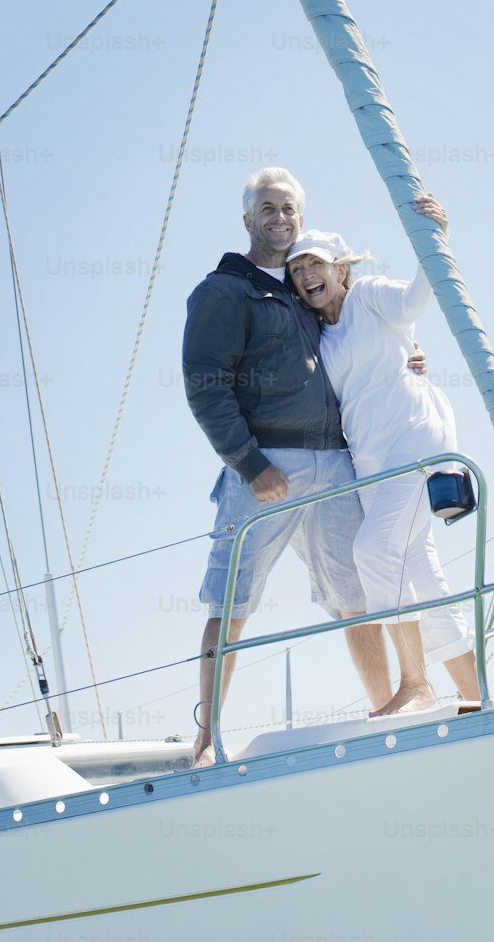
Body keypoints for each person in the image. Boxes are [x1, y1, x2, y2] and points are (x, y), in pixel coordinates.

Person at [182, 167, 393, 766]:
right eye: (268, 209)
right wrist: (250, 464)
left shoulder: (306, 290)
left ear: (302, 217)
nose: (280, 218)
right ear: (248, 220)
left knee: (357, 597)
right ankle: (206, 740)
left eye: (290, 209)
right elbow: (205, 386)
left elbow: (355, 341)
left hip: (336, 462)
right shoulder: (223, 291)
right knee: (232, 602)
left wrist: (407, 359)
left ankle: (386, 713)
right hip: (265, 470)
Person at [286, 195, 481, 717]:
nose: (307, 275)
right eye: (298, 269)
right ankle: (478, 698)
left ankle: (416, 683)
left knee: (372, 550)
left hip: (416, 438)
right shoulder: (319, 337)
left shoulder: (369, 295)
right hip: (370, 463)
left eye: (316, 264)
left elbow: (419, 300)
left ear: (341, 268)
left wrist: (435, 235)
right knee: (422, 572)